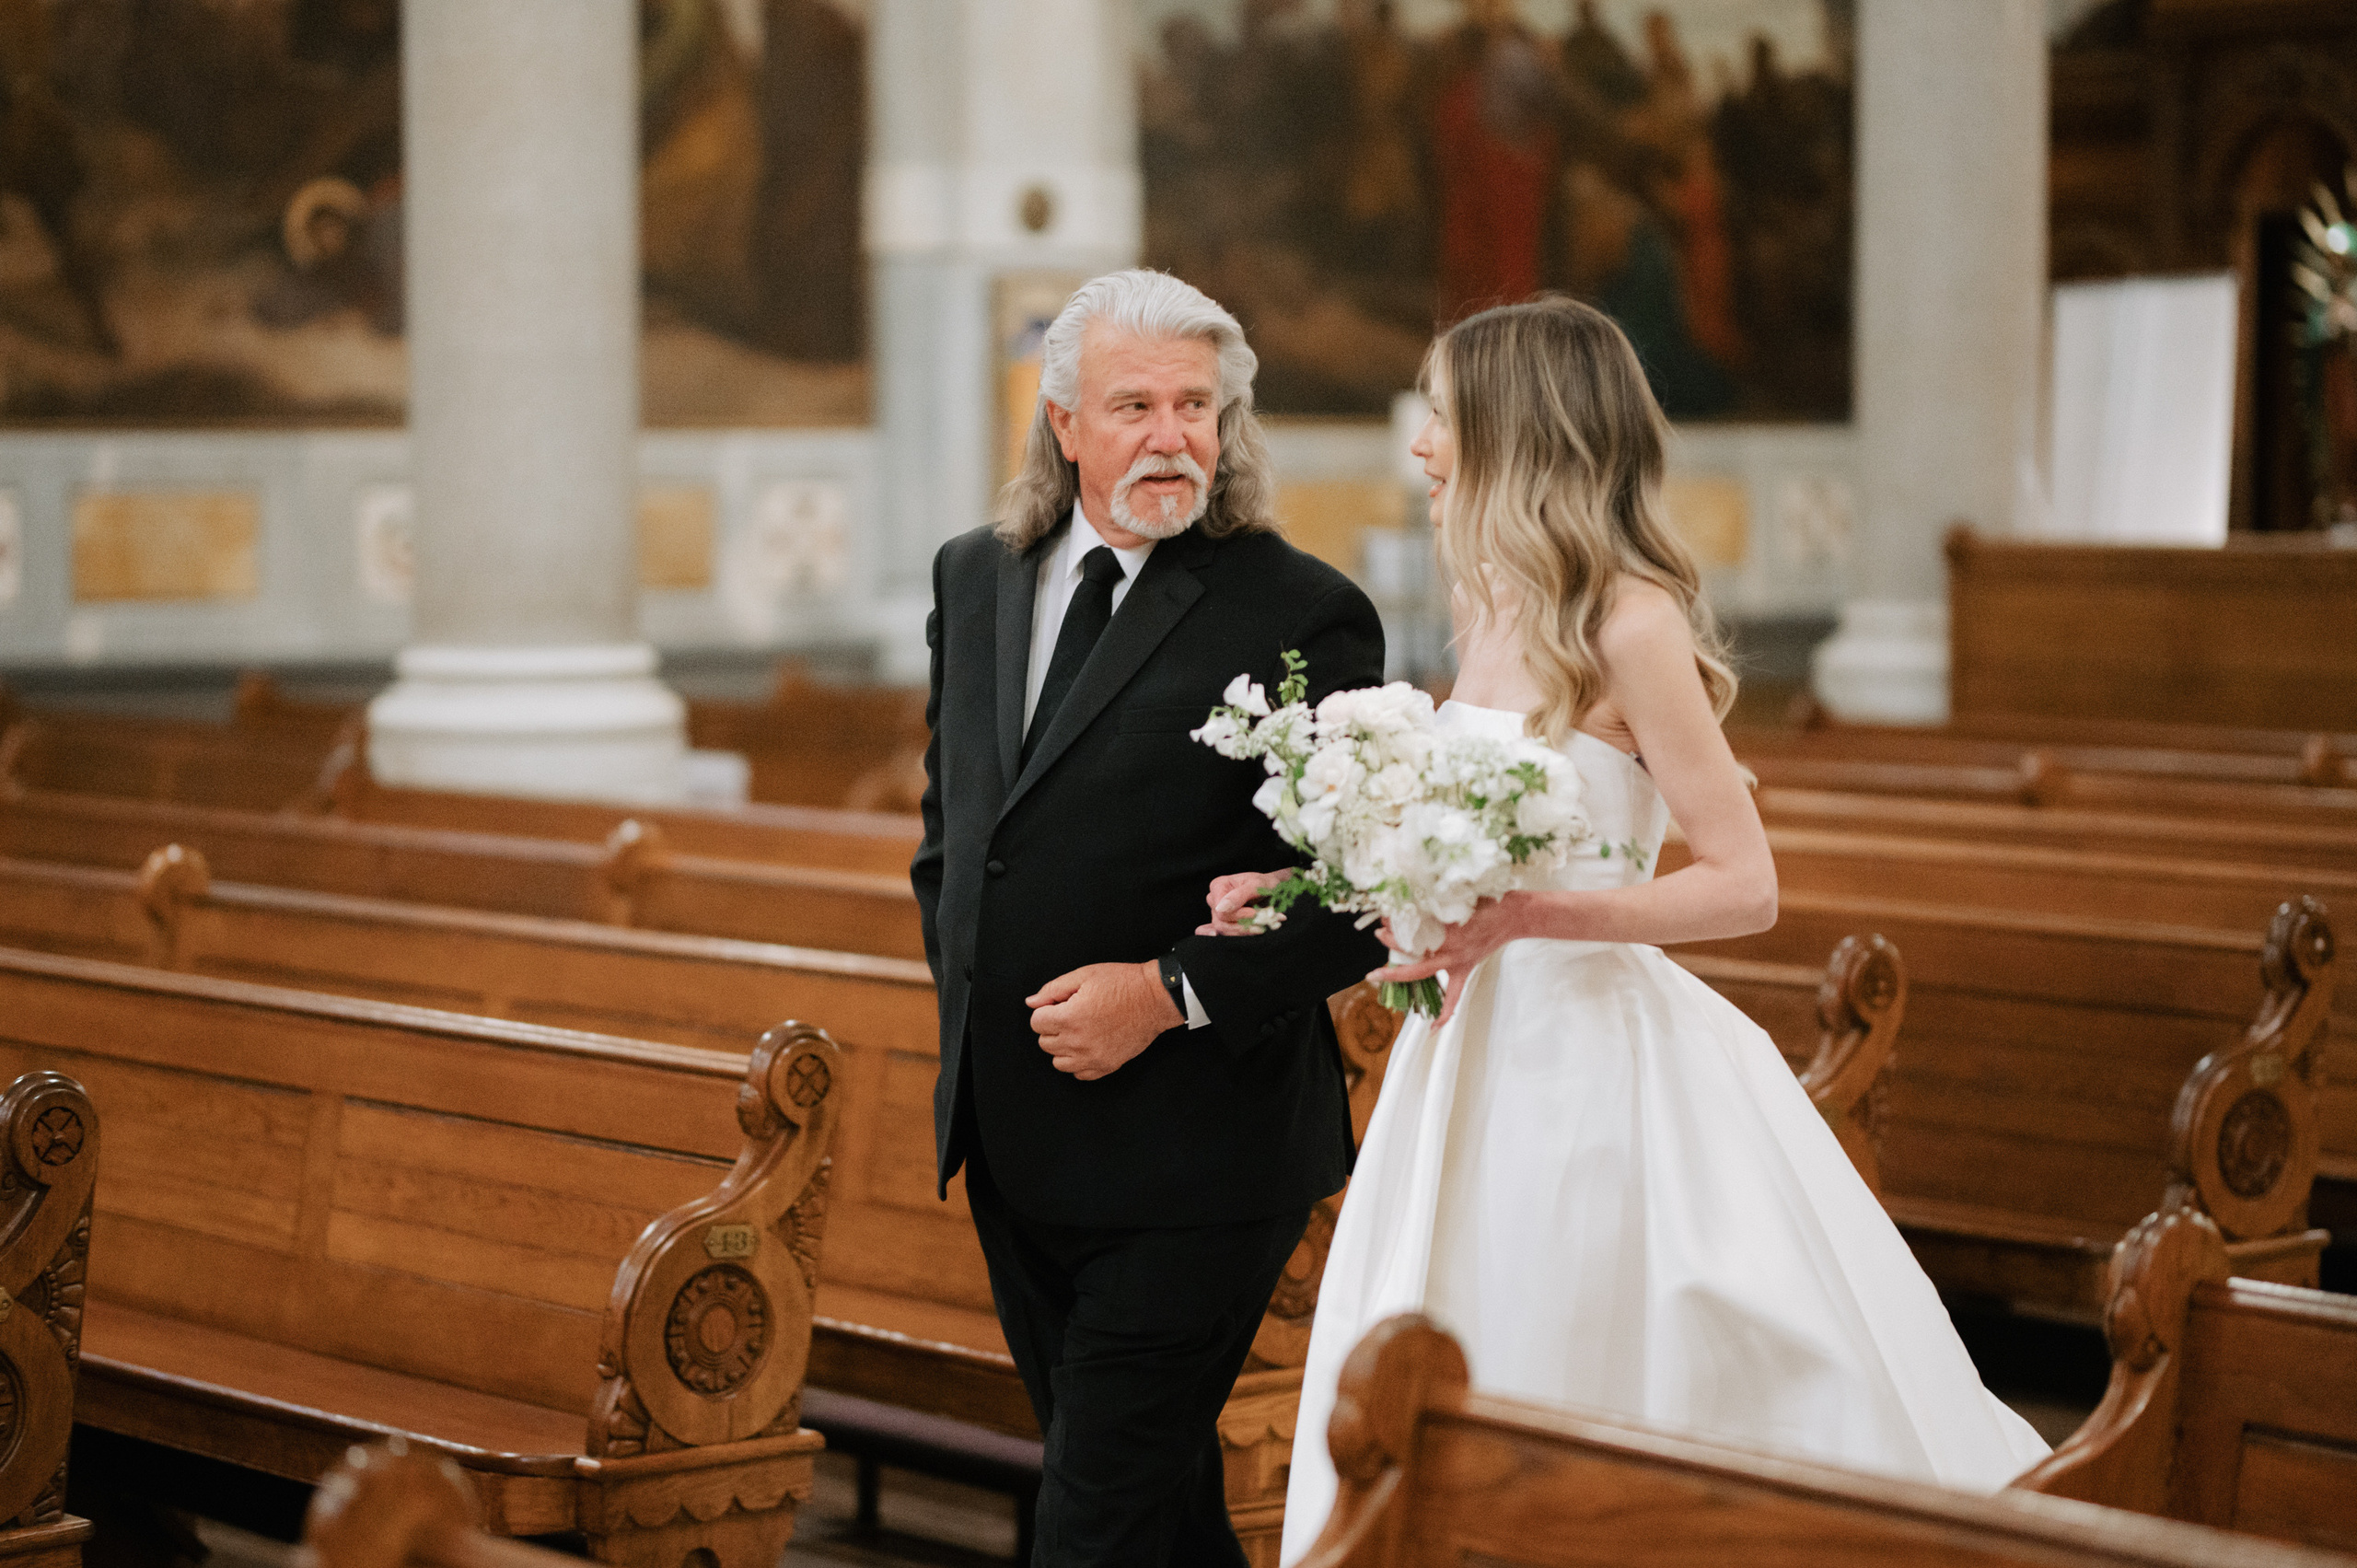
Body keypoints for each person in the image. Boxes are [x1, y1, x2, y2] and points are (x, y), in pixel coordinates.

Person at [1209, 298, 2050, 1564]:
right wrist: (1307, 894)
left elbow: (1741, 883)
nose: (1422, 443)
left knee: (1589, 1355)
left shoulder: (1631, 623)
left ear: (1516, 429)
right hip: (1468, 1062)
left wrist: (1539, 918)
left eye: (1441, 414)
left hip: (1597, 1067)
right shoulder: (1493, 614)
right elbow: (1452, 862)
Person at [910, 269, 1389, 1567]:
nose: (1173, 434)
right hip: (1015, 1142)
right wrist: (975, 1003)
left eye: (1198, 405)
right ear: (1062, 421)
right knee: (1154, 1512)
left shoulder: (1298, 611)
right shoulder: (980, 577)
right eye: (1135, 405)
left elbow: (1360, 898)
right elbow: (957, 842)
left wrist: (1167, 991)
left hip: (1197, 1158)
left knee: (1091, 1524)